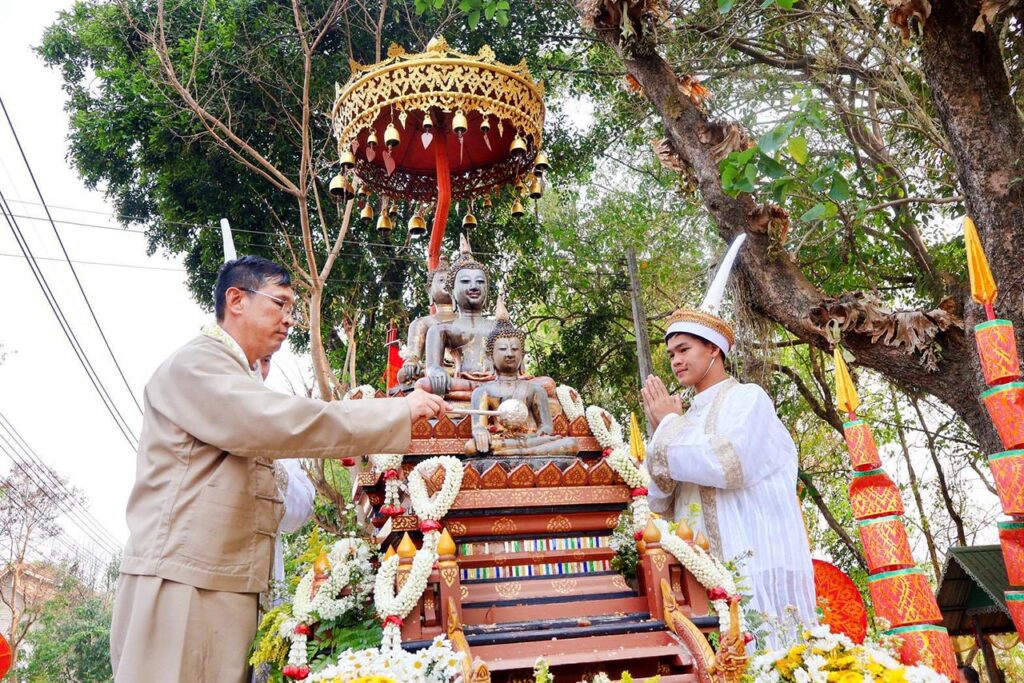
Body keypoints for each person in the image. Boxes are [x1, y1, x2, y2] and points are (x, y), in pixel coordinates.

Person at [109, 255, 447, 683]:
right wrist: (395, 412)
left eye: (292, 308)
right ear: (236, 300)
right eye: (280, 303)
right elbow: (283, 422)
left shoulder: (237, 376)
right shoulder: (197, 365)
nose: (289, 319)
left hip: (228, 583)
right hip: (182, 584)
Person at [640, 234, 816, 637]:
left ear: (714, 350)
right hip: (695, 572)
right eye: (671, 354)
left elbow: (727, 464)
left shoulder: (747, 400)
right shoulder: (683, 415)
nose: (676, 361)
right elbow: (658, 500)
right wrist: (667, 428)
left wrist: (669, 426)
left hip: (750, 559)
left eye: (684, 350)